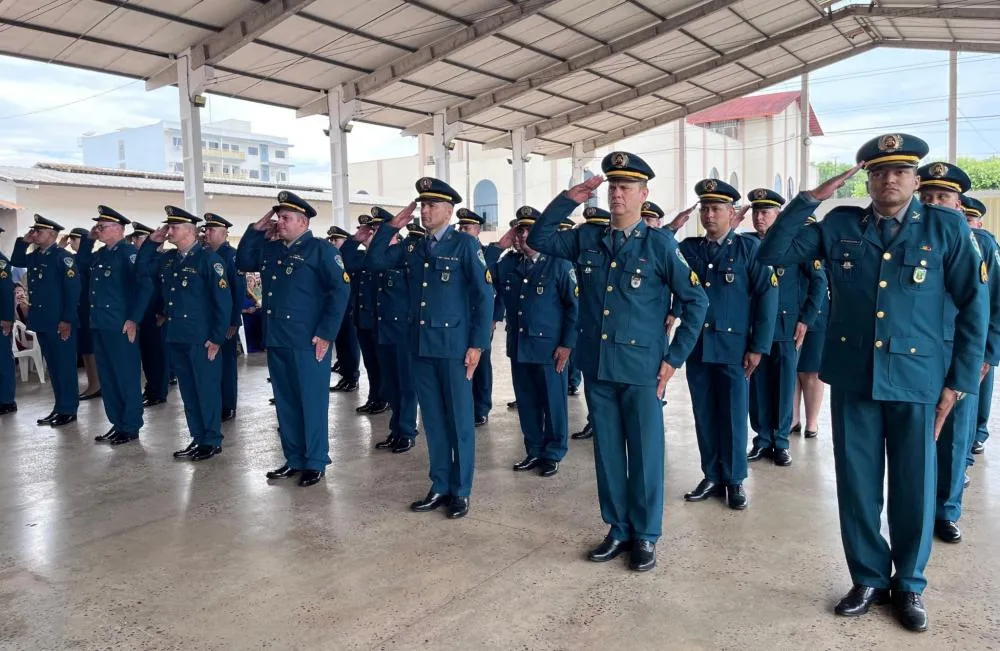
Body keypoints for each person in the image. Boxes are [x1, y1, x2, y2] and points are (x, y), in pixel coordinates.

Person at [757, 134, 988, 632]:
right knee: (858, 485)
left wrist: (960, 381)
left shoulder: (946, 227)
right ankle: (867, 577)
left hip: (918, 379)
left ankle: (909, 584)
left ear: (915, 179)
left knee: (914, 487)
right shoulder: (840, 224)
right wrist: (810, 199)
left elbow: (975, 304)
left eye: (900, 171)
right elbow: (772, 253)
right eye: (879, 172)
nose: (889, 180)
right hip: (855, 376)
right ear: (867, 180)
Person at [527, 152, 709, 572]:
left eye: (626, 187)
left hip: (643, 369)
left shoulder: (660, 245)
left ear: (644, 194)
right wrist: (568, 200)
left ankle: (645, 534)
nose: (617, 194)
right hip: (598, 366)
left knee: (644, 453)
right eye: (613, 186)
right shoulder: (587, 239)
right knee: (608, 452)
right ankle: (618, 527)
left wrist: (674, 358)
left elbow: (696, 302)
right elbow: (539, 237)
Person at [365, 178, 492, 519]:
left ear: (448, 211)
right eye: (422, 205)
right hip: (420, 347)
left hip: (454, 348)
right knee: (434, 421)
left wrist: (477, 345)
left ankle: (461, 491)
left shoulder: (465, 245)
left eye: (432, 205)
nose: (424, 211)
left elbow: (484, 296)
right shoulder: (413, 247)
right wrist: (391, 226)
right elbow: (375, 261)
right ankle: (440, 485)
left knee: (459, 422)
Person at [236, 191, 350, 486]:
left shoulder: (321, 250)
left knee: (311, 401)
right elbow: (243, 260)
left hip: (308, 340)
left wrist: (326, 333)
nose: (280, 222)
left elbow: (340, 291)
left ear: (303, 222)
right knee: (285, 402)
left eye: (286, 218)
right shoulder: (271, 249)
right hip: (277, 337)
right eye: (278, 217)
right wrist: (256, 230)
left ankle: (315, 461)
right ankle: (295, 458)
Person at [677, 180, 777, 509]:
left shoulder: (749, 249)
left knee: (734, 415)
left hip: (734, 349)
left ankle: (734, 479)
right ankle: (711, 474)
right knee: (704, 413)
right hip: (697, 347)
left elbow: (767, 296)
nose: (709, 214)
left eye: (716, 208)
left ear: (731, 213)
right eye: (705, 208)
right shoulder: (690, 249)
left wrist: (759, 346)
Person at [915, 162, 1000, 545]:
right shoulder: (906, 238)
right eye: (928, 196)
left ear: (958, 203)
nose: (935, 203)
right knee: (915, 435)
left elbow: (995, 305)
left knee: (953, 436)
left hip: (960, 352)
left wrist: (988, 355)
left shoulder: (980, 244)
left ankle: (945, 512)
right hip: (915, 355)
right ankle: (915, 508)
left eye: (943, 196)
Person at [138, 206, 232, 461]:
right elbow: (141, 269)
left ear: (190, 231)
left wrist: (217, 338)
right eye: (168, 226)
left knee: (206, 390)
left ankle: (211, 440)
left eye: (174, 227)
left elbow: (223, 302)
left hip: (202, 338)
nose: (168, 231)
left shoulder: (209, 260)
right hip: (176, 334)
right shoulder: (169, 259)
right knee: (188, 392)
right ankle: (198, 438)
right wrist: (151, 243)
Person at [745, 189, 827, 467]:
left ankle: (780, 441)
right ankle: (761, 439)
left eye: (765, 212)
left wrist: (806, 319)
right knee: (758, 386)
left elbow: (819, 281)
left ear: (779, 215)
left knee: (783, 385)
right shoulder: (747, 245)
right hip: (754, 328)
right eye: (756, 212)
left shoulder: (794, 243)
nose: (759, 217)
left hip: (785, 327)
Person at [495, 207, 578, 476]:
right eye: (520, 230)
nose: (523, 235)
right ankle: (533, 450)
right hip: (519, 347)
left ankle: (553, 453)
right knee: (527, 403)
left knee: (553, 403)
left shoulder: (559, 263)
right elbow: (482, 271)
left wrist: (567, 345)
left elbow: (574, 307)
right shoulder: (509, 264)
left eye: (529, 229)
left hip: (549, 350)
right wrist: (499, 246)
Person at [77, 206, 152, 445]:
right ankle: (117, 423)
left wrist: (134, 319)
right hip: (100, 323)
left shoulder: (128, 254)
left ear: (119, 229)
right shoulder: (101, 254)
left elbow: (145, 287)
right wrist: (88, 240)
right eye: (97, 226)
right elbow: (81, 264)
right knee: (108, 378)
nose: (98, 230)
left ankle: (130, 425)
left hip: (121, 325)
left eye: (102, 226)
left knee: (125, 376)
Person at [11, 215, 81, 427]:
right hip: (42, 320)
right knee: (54, 367)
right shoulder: (35, 256)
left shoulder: (63, 258)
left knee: (65, 367)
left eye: (38, 231)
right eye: (33, 231)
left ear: (52, 234)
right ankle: (59, 407)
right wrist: (23, 242)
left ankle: (68, 409)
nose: (34, 234)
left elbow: (72, 291)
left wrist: (67, 319)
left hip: (59, 321)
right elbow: (17, 261)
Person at [365, 219, 420, 453]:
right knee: (391, 384)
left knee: (406, 384)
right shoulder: (380, 258)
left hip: (403, 332)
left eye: (379, 231)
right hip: (384, 330)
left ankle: (407, 431)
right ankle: (396, 429)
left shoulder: (407, 253)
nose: (375, 235)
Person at [456, 207, 503, 427]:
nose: (463, 231)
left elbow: (497, 289)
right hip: (458, 320)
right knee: (460, 363)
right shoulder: (453, 252)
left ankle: (481, 407)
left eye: (467, 228)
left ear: (477, 230)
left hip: (480, 320)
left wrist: (494, 318)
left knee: (481, 364)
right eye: (461, 227)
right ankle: (463, 405)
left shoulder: (486, 256)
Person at [569, 207, 611, 441]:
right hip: (589, 331)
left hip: (619, 339)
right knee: (593, 387)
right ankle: (594, 421)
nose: (590, 234)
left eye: (596, 229)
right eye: (588, 228)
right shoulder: (581, 255)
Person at [201, 213, 245, 423]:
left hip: (225, 321)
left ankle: (228, 405)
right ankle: (214, 403)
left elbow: (238, 290)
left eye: (212, 230)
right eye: (206, 230)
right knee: (210, 364)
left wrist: (233, 321)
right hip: (207, 320)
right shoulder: (204, 255)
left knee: (226, 364)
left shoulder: (231, 256)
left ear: (224, 233)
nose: (207, 233)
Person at [963, 195, 997, 460]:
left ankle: (977, 434)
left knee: (979, 389)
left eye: (970, 219)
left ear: (979, 222)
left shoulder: (985, 243)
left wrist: (992, 348)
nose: (965, 223)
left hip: (981, 333)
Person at [791, 218, 829, 440]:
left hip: (816, 317)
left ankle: (811, 421)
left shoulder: (817, 254)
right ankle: (793, 418)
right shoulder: (788, 250)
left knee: (811, 371)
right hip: (791, 316)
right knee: (792, 370)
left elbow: (823, 284)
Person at [131, 222, 170, 407]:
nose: (135, 242)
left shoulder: (162, 259)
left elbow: (165, 289)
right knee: (147, 354)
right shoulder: (143, 260)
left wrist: (163, 312)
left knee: (157, 355)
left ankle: (158, 392)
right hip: (145, 313)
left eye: (139, 238)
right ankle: (151, 388)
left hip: (157, 315)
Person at [64, 227, 101, 400]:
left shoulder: (88, 259)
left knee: (89, 349)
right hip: (79, 309)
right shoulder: (73, 259)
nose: (71, 242)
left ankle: (96, 384)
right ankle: (93, 384)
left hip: (88, 308)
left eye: (75, 239)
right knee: (85, 349)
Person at [326, 225, 360, 391]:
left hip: (351, 308)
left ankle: (352, 378)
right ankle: (345, 376)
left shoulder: (352, 256)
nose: (332, 242)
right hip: (339, 309)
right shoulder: (334, 259)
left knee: (350, 345)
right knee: (341, 345)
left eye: (336, 239)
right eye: (331, 240)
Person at [0, 229, 16, 415]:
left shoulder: (2, 262)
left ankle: (7, 400)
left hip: (1, 320)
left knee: (3, 359)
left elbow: (5, 291)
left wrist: (6, 318)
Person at [241, 272, 265, 352]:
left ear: (254, 283)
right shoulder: (241, 292)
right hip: (245, 317)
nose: (249, 283)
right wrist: (246, 310)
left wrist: (256, 307)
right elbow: (236, 309)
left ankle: (262, 344)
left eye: (251, 281)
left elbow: (260, 304)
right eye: (247, 281)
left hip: (257, 316)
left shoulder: (257, 292)